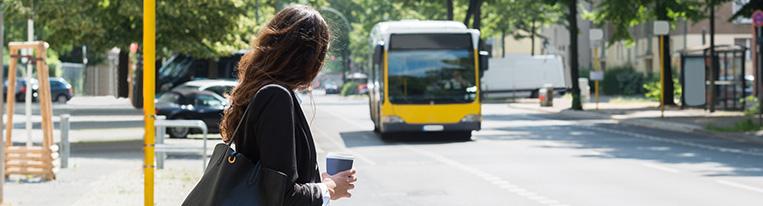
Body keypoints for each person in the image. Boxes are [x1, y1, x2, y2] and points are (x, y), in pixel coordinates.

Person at [219, 5, 356, 206]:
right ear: (308, 57)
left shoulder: (260, 91)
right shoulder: (276, 97)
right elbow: (283, 196)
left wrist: (321, 182)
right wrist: (329, 189)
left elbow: (271, 182)